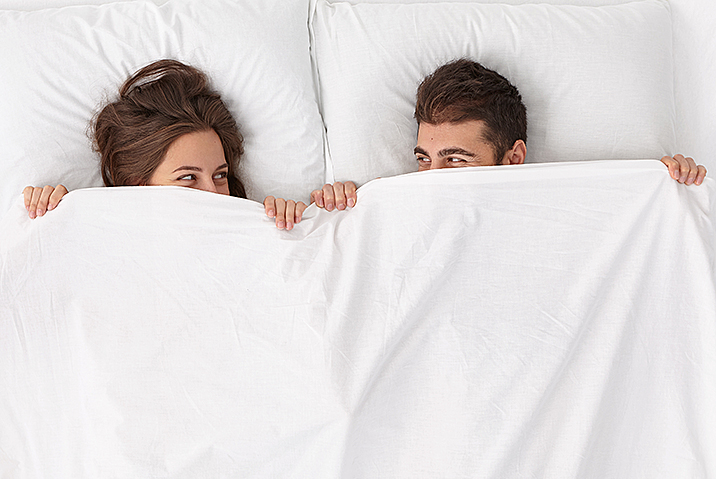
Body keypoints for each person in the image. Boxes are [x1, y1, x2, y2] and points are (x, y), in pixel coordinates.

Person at [310, 58, 707, 210]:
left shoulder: (562, 206)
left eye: (456, 160)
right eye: (424, 159)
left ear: (513, 158)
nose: (430, 178)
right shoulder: (391, 203)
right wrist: (338, 211)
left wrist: (667, 188)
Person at [23, 59, 306, 230]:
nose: (214, 193)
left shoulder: (260, 224)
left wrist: (312, 218)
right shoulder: (101, 237)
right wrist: (50, 215)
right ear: (140, 185)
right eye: (188, 177)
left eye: (220, 175)